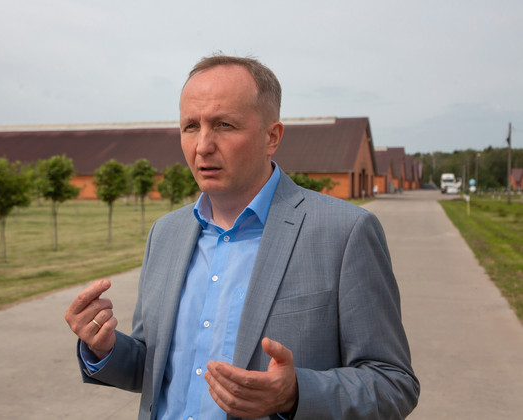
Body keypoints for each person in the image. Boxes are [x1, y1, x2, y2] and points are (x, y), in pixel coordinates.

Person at [65, 55, 419, 419]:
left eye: (224, 125)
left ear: (271, 137)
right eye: (190, 126)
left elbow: (393, 383)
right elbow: (153, 367)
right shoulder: (165, 234)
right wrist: (105, 347)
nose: (203, 145)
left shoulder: (344, 233)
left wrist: (295, 393)